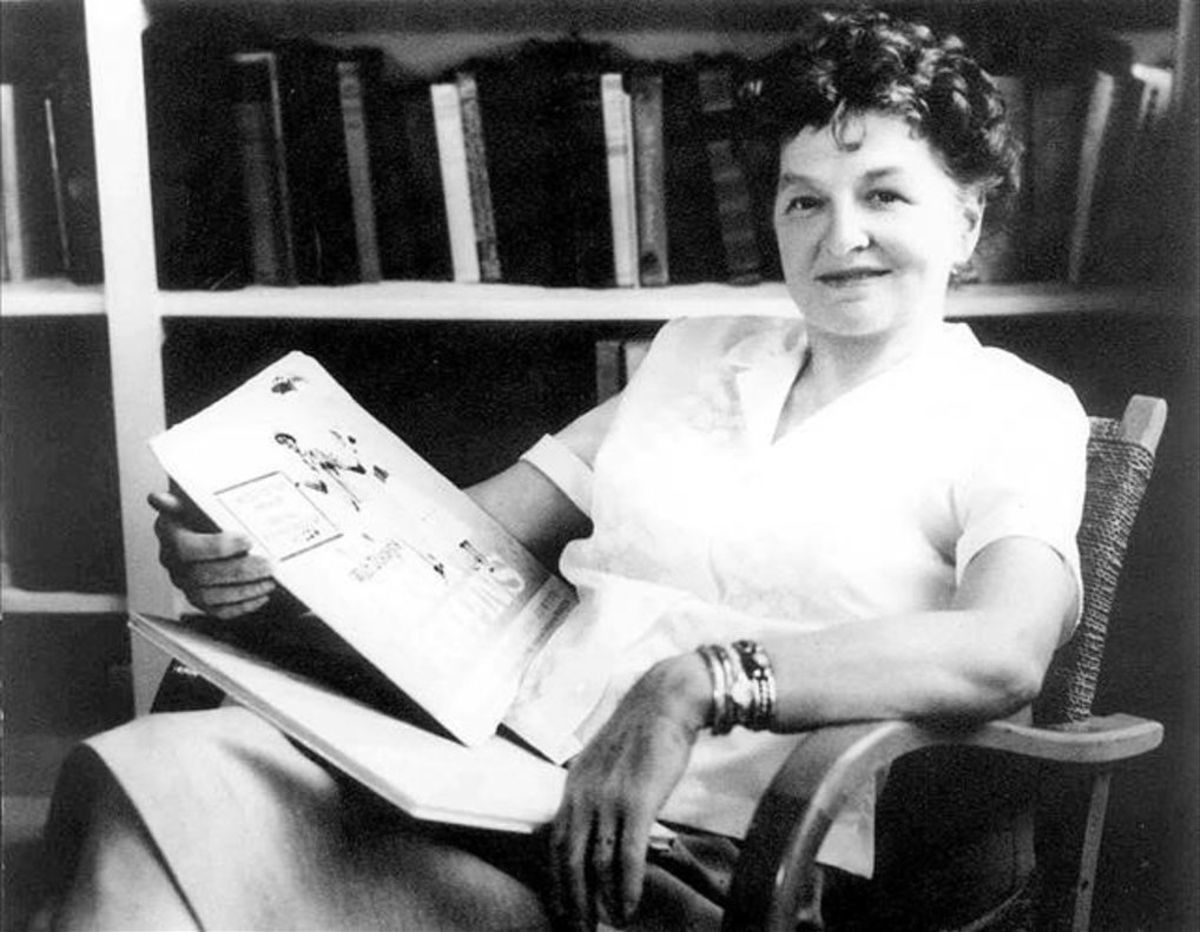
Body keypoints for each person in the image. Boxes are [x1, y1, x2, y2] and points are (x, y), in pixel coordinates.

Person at [37, 9, 1087, 930]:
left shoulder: (1012, 410)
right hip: (491, 776)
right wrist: (265, 552)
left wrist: (697, 683)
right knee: (156, 768)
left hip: (685, 852)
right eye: (803, 200)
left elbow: (1003, 649)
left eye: (885, 196)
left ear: (968, 221)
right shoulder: (695, 355)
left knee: (166, 826)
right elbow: (451, 542)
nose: (840, 235)